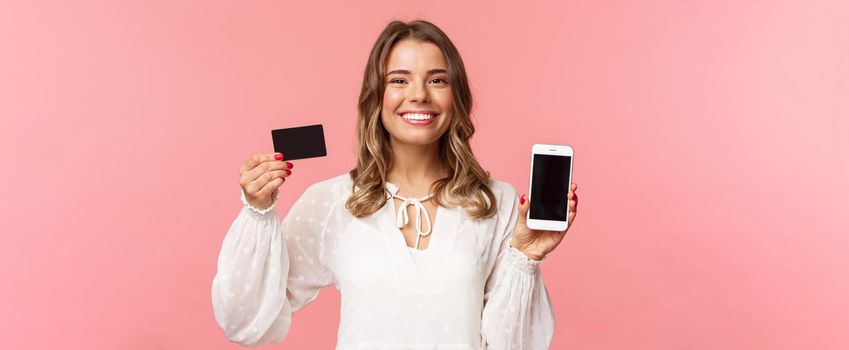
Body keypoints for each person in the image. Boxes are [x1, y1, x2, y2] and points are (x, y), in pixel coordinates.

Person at [211, 20, 579, 349]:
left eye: (437, 79)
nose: (419, 94)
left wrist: (526, 256)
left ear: (457, 97)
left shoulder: (496, 202)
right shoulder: (332, 201)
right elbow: (246, 323)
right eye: (399, 80)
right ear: (377, 97)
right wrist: (258, 212)